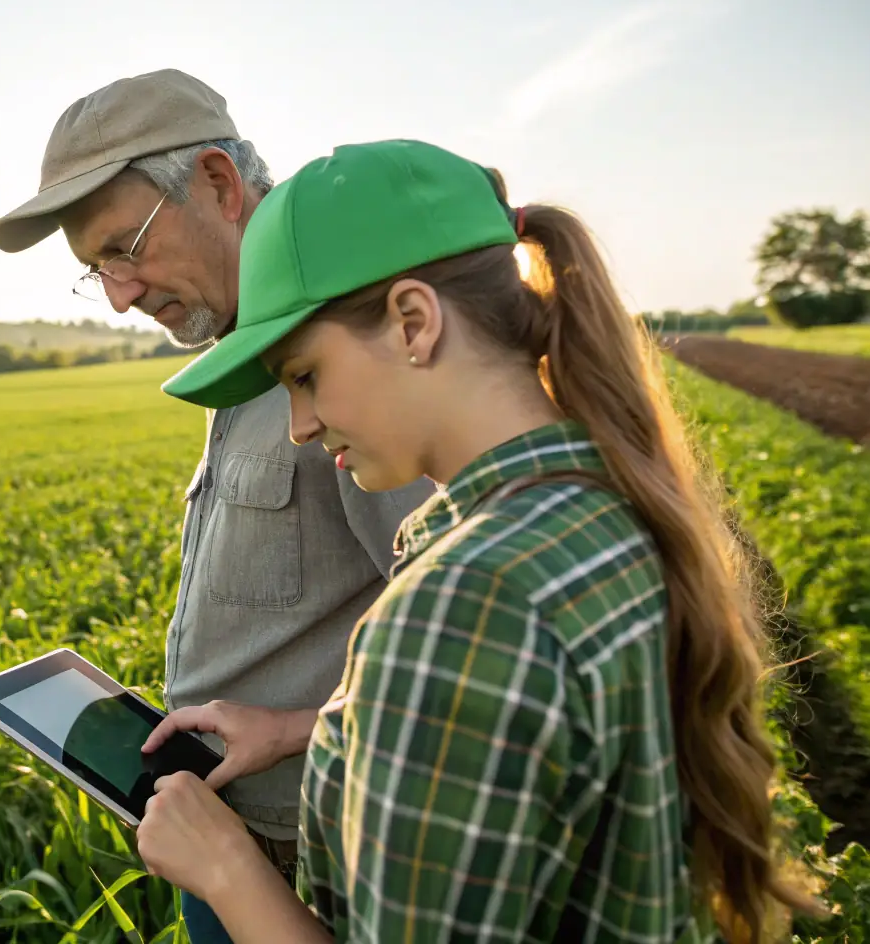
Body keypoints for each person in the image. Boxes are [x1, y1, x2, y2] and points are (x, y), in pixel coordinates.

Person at [136, 138, 823, 943]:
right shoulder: (606, 508)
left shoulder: (462, 599)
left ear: (413, 322)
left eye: (305, 375)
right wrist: (303, 731)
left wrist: (226, 868)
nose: (300, 425)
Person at [0, 71, 433, 942]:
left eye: (125, 248)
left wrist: (296, 729)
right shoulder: (239, 349)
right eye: (95, 271)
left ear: (218, 185)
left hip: (313, 858)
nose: (118, 293)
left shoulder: (340, 357)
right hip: (228, 834)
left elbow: (471, 653)